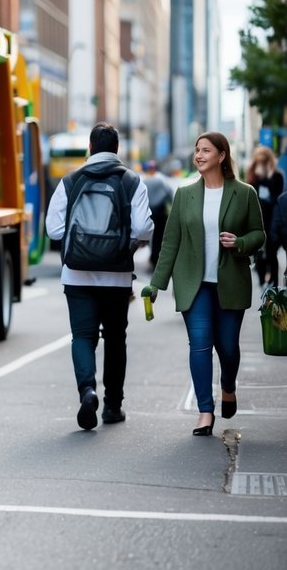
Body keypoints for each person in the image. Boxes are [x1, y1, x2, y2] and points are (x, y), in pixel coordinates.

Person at [142, 132, 265, 437]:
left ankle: (228, 386)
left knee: (228, 347)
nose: (199, 155)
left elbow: (259, 234)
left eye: (206, 150)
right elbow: (170, 242)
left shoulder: (244, 193)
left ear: (222, 156)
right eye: (197, 150)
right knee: (199, 344)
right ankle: (205, 411)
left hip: (230, 283)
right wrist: (156, 284)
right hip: (193, 285)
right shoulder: (185, 194)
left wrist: (240, 242)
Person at [46, 122, 153, 430]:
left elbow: (53, 230)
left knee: (83, 336)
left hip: (77, 275)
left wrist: (82, 240)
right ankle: (112, 406)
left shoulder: (70, 181)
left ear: (89, 148)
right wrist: (123, 241)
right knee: (116, 339)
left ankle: (87, 391)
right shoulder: (131, 181)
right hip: (117, 277)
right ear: (117, 149)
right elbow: (144, 228)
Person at [244, 145, 283, 287]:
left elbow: (276, 198)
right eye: (258, 161)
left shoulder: (277, 176)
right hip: (257, 220)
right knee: (258, 252)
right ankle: (262, 281)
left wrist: (266, 177)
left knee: (272, 253)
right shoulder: (252, 175)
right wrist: (258, 177)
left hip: (272, 220)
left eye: (264, 161)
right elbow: (250, 197)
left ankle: (274, 283)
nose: (261, 164)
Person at [142, 160, 175, 267]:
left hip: (148, 213)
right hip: (161, 213)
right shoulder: (162, 179)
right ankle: (156, 258)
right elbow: (170, 195)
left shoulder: (144, 180)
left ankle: (153, 256)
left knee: (150, 236)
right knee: (159, 237)